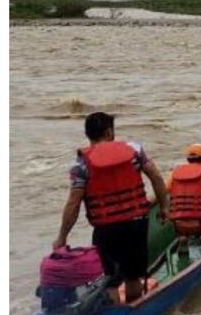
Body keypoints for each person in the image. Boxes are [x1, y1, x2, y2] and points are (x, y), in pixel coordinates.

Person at [53, 112, 170, 303]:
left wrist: (62, 237)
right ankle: (134, 308)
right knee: (133, 277)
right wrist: (165, 207)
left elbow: (73, 204)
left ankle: (117, 314)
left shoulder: (81, 164)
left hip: (106, 228)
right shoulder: (135, 150)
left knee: (111, 281)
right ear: (109, 132)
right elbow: (156, 178)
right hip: (137, 223)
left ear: (88, 135)